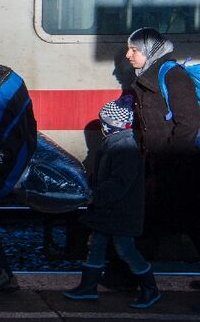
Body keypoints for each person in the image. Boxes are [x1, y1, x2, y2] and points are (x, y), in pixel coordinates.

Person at [125, 27, 200, 312]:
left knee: (151, 225)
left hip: (179, 168)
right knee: (185, 223)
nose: (128, 55)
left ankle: (139, 284)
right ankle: (131, 279)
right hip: (167, 167)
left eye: (134, 49)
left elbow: (188, 124)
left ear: (150, 50)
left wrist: (168, 164)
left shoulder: (171, 75)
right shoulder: (150, 76)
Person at [64, 96, 161, 308]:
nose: (101, 127)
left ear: (111, 125)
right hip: (109, 209)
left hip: (120, 210)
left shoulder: (124, 148)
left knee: (125, 249)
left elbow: (118, 183)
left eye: (103, 123)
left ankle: (150, 289)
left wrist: (95, 196)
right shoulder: (115, 144)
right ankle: (88, 288)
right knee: (96, 244)